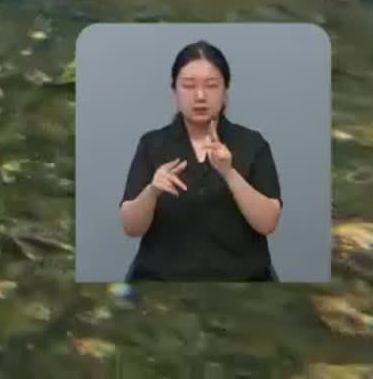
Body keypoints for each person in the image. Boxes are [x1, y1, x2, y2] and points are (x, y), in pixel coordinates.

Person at [117, 40, 283, 281]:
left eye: (212, 85)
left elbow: (268, 223)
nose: (200, 96)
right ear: (174, 91)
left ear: (225, 91)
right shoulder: (152, 144)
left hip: (242, 282)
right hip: (162, 282)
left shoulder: (252, 144)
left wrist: (229, 173)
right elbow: (131, 228)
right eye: (188, 85)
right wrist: (152, 191)